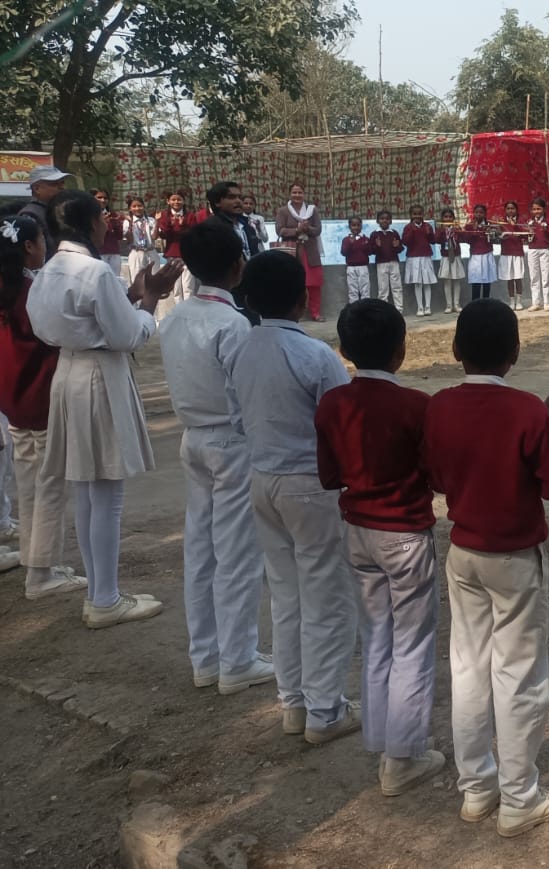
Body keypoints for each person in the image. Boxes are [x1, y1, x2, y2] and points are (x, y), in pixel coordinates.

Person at [423, 298, 549, 837]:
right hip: (513, 554)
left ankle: (477, 789)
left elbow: (439, 481)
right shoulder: (527, 410)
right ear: (514, 353)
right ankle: (519, 798)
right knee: (519, 676)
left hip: (464, 550)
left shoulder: (439, 405)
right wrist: (548, 431)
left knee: (468, 669)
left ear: (456, 349)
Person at [315, 299, 447, 796]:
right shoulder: (416, 405)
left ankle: (381, 740)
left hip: (359, 531)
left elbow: (330, 475)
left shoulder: (333, 403)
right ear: (402, 351)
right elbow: (435, 475)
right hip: (405, 533)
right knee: (412, 643)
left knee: (377, 637)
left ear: (344, 350)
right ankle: (403, 755)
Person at [29, 190, 177, 627]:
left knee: (87, 489)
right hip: (99, 377)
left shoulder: (48, 269)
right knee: (106, 492)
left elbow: (78, 322)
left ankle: (101, 591)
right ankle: (105, 598)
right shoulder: (93, 271)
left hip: (69, 373)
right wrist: (150, 301)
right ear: (90, 223)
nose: (105, 225)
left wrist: (130, 298)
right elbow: (128, 337)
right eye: (101, 218)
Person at [233, 250, 360, 745]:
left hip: (262, 477)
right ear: (300, 299)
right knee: (325, 596)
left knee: (287, 594)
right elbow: (342, 424)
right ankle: (324, 709)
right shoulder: (314, 355)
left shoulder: (242, 347)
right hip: (308, 483)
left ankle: (294, 701)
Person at [162, 219, 273, 693]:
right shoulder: (233, 324)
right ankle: (237, 658)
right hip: (230, 441)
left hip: (193, 438)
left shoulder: (176, 318)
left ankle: (207, 656)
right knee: (237, 554)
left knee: (201, 550)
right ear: (237, 265)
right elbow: (247, 394)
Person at [0, 211, 85, 598]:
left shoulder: (8, 289)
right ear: (30, 247)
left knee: (29, 482)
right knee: (50, 484)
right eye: (42, 241)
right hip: (42, 396)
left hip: (14, 400)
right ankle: (41, 573)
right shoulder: (32, 291)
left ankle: (34, 557)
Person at [273, 184, 325, 321]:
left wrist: (307, 229)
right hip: (292, 252)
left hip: (310, 252)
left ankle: (315, 313)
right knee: (292, 283)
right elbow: (279, 230)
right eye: (294, 192)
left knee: (314, 284)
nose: (297, 195)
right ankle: (292, 313)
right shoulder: (283, 211)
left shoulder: (312, 210)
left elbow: (318, 230)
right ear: (290, 194)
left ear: (304, 194)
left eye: (300, 192)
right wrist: (297, 230)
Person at [157, 191, 207, 306]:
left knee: (188, 286)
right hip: (172, 254)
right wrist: (173, 225)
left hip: (187, 254)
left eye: (179, 199)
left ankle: (189, 311)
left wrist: (181, 225)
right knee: (176, 287)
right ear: (168, 202)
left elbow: (193, 233)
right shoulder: (165, 215)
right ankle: (178, 311)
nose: (176, 202)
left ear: (184, 201)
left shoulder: (190, 216)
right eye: (173, 199)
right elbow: (164, 234)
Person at [203, 180, 263, 258]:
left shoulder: (247, 226)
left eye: (240, 197)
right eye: (231, 197)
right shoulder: (211, 229)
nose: (238, 201)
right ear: (217, 202)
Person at [21, 165, 70, 255]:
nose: (62, 187)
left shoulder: (56, 210)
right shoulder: (30, 215)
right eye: (54, 184)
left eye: (62, 183)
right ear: (37, 188)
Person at [401, 205, 437, 317]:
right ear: (411, 215)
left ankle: (428, 307)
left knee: (427, 282)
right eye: (414, 214)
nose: (417, 216)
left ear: (423, 214)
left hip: (426, 257)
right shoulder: (408, 227)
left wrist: (429, 233)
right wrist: (412, 230)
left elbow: (433, 241)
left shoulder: (427, 226)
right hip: (413, 258)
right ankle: (420, 307)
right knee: (418, 283)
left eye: (419, 213)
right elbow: (405, 242)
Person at [460, 204, 497, 302]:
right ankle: (475, 303)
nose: (478, 215)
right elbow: (466, 240)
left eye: (481, 212)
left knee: (487, 281)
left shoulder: (489, 225)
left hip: (487, 255)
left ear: (485, 214)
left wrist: (491, 233)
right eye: (476, 212)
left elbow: (495, 240)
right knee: (476, 280)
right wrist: (474, 230)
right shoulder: (469, 225)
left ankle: (486, 303)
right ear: (473, 213)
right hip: (475, 256)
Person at [526, 199, 549, 312]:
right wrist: (528, 231)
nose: (536, 211)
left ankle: (546, 302)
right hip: (532, 250)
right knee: (534, 277)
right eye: (534, 209)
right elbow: (525, 237)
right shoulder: (529, 222)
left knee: (545, 276)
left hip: (545, 250)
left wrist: (546, 230)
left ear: (544, 209)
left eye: (539, 208)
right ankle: (536, 302)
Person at [370, 211, 404, 312]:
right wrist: (377, 246)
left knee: (397, 286)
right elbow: (371, 251)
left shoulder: (394, 233)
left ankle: (399, 309)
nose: (384, 220)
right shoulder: (375, 234)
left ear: (390, 221)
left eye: (387, 218)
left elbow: (400, 248)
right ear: (377, 221)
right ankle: (383, 311)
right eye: (382, 218)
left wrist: (397, 246)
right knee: (383, 289)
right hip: (381, 263)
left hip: (394, 262)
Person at [498, 201, 528, 311]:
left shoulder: (521, 221)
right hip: (506, 253)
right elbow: (497, 236)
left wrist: (515, 227)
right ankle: (511, 301)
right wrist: (500, 228)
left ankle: (519, 301)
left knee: (518, 278)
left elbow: (526, 234)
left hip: (517, 253)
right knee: (509, 279)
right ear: (505, 210)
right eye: (508, 209)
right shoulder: (501, 222)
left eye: (513, 208)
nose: (510, 211)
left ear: (516, 210)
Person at [437, 207, 466, 314]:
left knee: (457, 280)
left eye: (450, 217)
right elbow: (436, 240)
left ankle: (456, 304)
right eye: (445, 217)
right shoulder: (440, 230)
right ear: (442, 218)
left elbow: (463, 239)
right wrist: (441, 230)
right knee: (447, 281)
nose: (448, 219)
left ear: (453, 218)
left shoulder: (456, 229)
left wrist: (459, 231)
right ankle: (448, 305)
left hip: (456, 256)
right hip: (445, 257)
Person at [93, 189, 125, 283]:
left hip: (114, 252)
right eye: (99, 197)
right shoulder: (89, 214)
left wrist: (117, 224)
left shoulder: (113, 214)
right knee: (100, 280)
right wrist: (102, 223)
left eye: (105, 198)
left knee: (115, 280)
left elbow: (119, 236)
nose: (103, 200)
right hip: (99, 252)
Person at [124, 197, 158, 280]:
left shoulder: (151, 220)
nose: (137, 208)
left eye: (140, 206)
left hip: (151, 251)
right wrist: (130, 224)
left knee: (154, 279)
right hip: (137, 252)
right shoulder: (127, 221)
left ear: (144, 206)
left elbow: (154, 237)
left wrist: (157, 221)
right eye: (134, 206)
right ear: (130, 208)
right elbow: (130, 240)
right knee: (138, 280)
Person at [342, 217, 373, 303]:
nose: (356, 227)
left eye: (358, 225)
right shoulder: (346, 240)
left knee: (365, 289)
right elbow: (344, 252)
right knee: (352, 290)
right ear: (349, 226)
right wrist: (350, 243)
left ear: (361, 226)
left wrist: (366, 245)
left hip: (363, 267)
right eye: (353, 225)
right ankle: (354, 310)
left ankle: (365, 309)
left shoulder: (365, 239)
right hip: (351, 268)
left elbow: (370, 251)